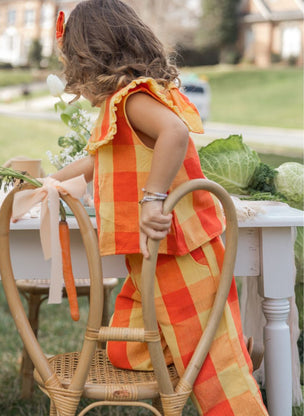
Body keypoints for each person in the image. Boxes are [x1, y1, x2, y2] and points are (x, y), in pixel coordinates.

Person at [51, 1, 268, 414]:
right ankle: (222, 349)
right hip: (151, 258)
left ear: (90, 57)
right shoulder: (123, 105)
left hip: (182, 251)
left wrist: (153, 197)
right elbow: (101, 161)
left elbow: (175, 132)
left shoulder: (135, 100)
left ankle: (225, 362)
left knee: (216, 376)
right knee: (123, 347)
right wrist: (51, 180)